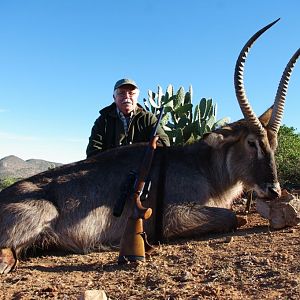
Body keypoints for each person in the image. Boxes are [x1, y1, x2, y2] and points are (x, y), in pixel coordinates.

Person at [86, 78, 170, 157]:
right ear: (114, 98)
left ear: (137, 97)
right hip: (110, 168)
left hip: (141, 166)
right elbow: (93, 152)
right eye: (121, 93)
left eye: (131, 93)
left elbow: (164, 143)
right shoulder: (103, 120)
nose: (127, 97)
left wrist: (137, 155)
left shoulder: (148, 118)